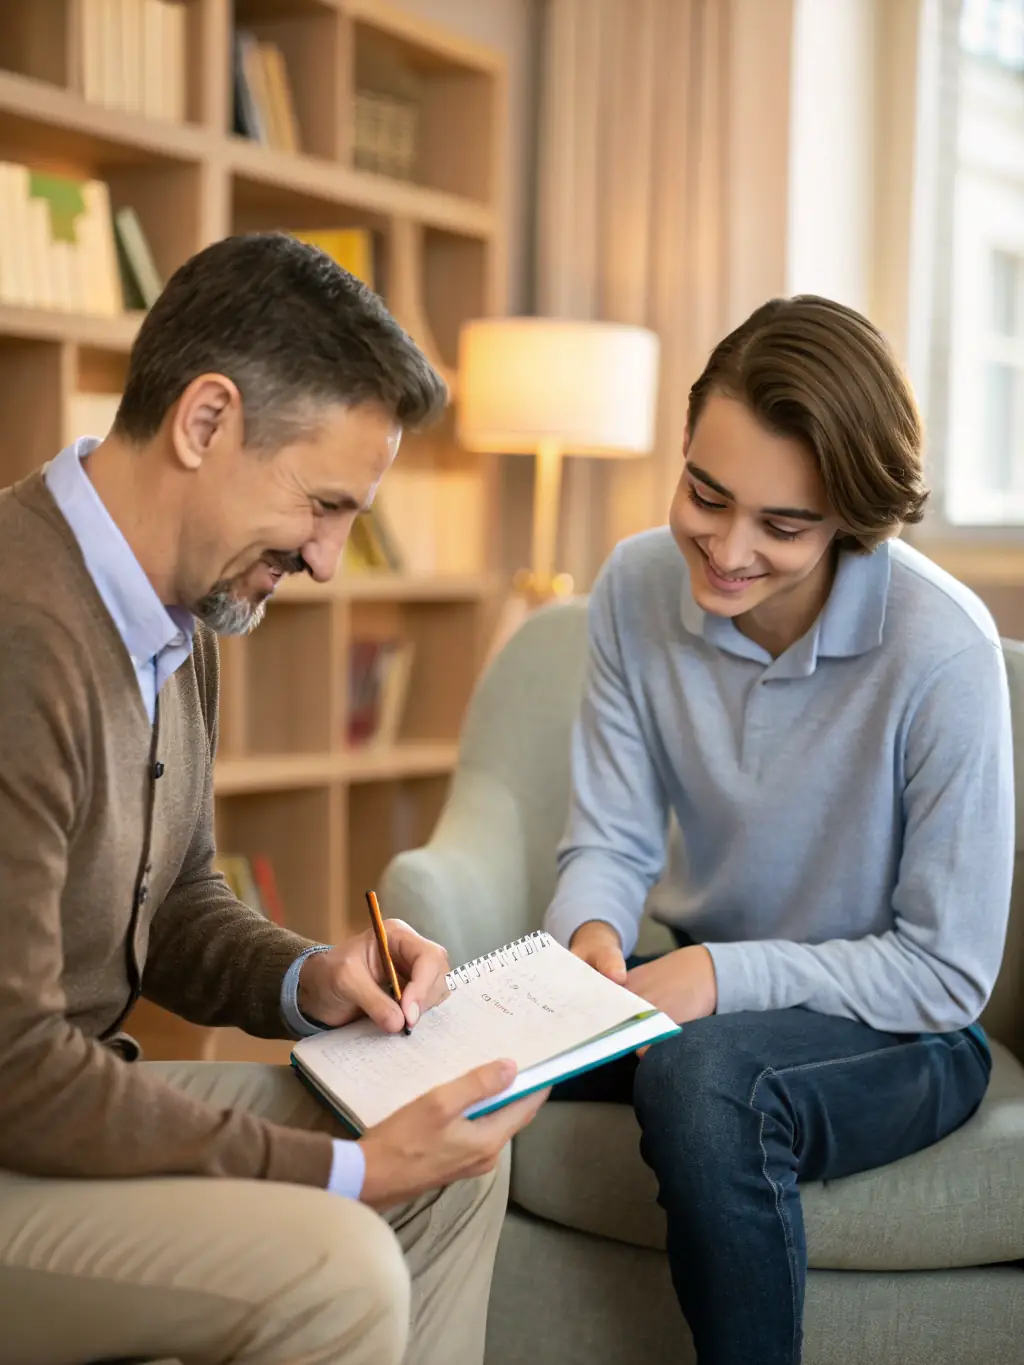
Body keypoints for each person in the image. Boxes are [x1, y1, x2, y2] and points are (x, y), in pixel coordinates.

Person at [0, 231, 547, 1365]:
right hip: (18, 1129)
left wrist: (318, 978)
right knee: (336, 1264)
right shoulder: (22, 631)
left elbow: (176, 900)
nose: (330, 562)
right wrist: (345, 1171)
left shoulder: (175, 612)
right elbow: (13, 1068)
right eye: (325, 504)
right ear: (206, 423)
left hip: (64, 1110)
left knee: (455, 1151)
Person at [543, 295, 1014, 1365]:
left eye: (783, 526)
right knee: (444, 1021)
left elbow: (946, 974)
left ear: (852, 518)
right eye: (706, 495)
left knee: (703, 1080)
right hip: (696, 982)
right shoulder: (631, 587)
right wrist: (589, 953)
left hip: (905, 1029)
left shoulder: (941, 651)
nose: (728, 548)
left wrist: (716, 975)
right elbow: (609, 840)